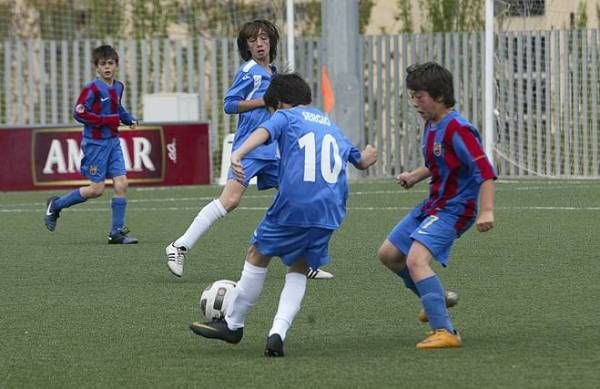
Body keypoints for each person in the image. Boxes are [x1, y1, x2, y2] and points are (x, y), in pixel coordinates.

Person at [189, 73, 377, 357]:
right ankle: (277, 333)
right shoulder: (330, 124)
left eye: (271, 108)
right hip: (330, 211)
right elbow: (361, 161)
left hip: (295, 205)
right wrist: (369, 154)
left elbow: (264, 132)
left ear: (280, 103)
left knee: (257, 254)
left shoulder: (286, 116)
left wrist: (237, 154)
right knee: (299, 266)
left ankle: (233, 324)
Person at [165, 20, 333, 279]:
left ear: (271, 42)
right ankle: (179, 246)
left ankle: (305, 262)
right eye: (253, 40)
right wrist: (262, 101)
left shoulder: (274, 74)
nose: (259, 43)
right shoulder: (249, 71)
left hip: (274, 151)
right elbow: (230, 105)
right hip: (249, 148)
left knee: (301, 195)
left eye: (264, 38)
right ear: (246, 46)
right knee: (229, 201)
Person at [377, 62, 496, 349]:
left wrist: (487, 210)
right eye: (413, 96)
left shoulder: (459, 128)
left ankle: (446, 331)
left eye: (420, 96)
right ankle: (435, 298)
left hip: (456, 209)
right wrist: (415, 176)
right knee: (389, 254)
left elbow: (485, 170)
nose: (415, 102)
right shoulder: (431, 125)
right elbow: (439, 163)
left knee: (416, 260)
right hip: (434, 203)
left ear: (440, 95)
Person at [44, 45, 138, 244]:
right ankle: (56, 204)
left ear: (116, 65)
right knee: (96, 190)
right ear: (96, 67)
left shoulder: (119, 86)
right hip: (95, 144)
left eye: (110, 63)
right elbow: (79, 113)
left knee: (121, 183)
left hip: (113, 142)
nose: (107, 67)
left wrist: (128, 118)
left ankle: (116, 232)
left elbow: (117, 108)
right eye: (102, 64)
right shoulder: (92, 88)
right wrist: (108, 120)